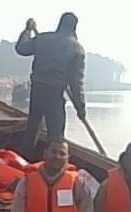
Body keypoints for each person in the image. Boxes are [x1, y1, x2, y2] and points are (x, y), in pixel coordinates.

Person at [14, 13, 86, 159]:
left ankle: (24, 160)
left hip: (37, 91)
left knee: (32, 130)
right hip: (54, 94)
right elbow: (76, 82)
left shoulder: (43, 39)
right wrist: (80, 108)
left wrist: (27, 30)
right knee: (56, 138)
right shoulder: (76, 48)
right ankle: (54, 165)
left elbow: (21, 48)